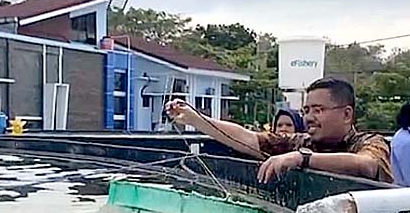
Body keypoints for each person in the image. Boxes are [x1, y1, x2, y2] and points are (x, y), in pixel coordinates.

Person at [165, 78, 392, 183]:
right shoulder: (299, 142)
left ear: (346, 114)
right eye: (306, 110)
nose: (310, 118)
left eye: (319, 110)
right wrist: (197, 120)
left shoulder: (370, 142)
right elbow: (249, 139)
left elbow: (367, 165)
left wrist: (303, 159)